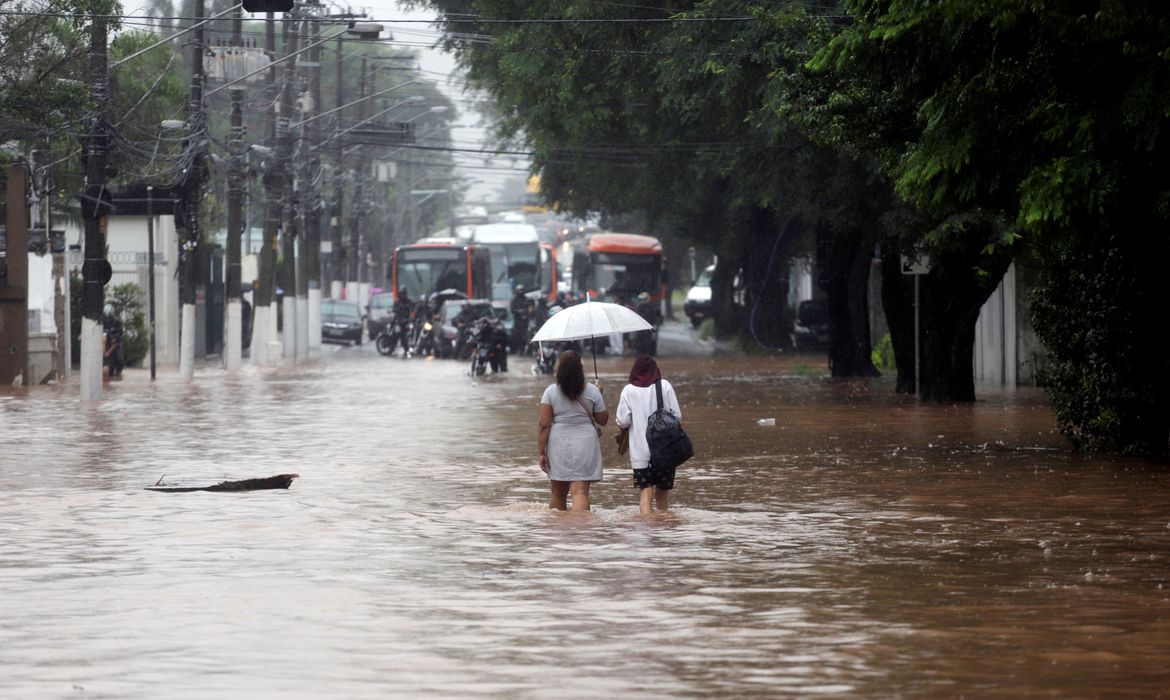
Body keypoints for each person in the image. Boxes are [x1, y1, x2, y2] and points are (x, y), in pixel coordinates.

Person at [537, 350, 608, 512]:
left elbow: (544, 425)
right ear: (580, 369)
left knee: (557, 493)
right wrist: (600, 395)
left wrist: (541, 452)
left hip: (558, 442)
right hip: (585, 442)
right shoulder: (592, 391)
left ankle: (558, 531)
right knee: (580, 492)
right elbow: (603, 420)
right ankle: (581, 531)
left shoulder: (550, 392)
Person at [615, 354, 682, 515]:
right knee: (663, 492)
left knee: (646, 492)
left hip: (640, 453)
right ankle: (661, 530)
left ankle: (647, 532)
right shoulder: (664, 386)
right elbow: (677, 417)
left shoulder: (628, 390)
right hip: (665, 451)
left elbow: (622, 421)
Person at [102, 303, 125, 379]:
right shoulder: (102, 322)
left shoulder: (117, 322)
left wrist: (114, 339)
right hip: (105, 342)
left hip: (116, 342)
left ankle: (119, 372)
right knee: (106, 362)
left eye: (109, 316)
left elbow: (119, 336)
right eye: (106, 316)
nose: (108, 319)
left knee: (119, 358)